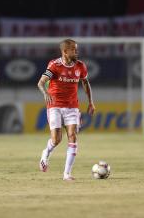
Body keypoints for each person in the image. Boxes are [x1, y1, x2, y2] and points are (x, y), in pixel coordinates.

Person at [37, 39, 95, 181]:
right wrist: (46, 93)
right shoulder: (54, 65)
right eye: (73, 49)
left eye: (76, 49)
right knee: (56, 140)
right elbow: (41, 82)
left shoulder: (80, 66)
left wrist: (90, 102)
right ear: (65, 51)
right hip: (55, 106)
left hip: (72, 107)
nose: (76, 52)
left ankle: (67, 174)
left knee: (73, 137)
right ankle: (46, 153)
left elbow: (85, 83)